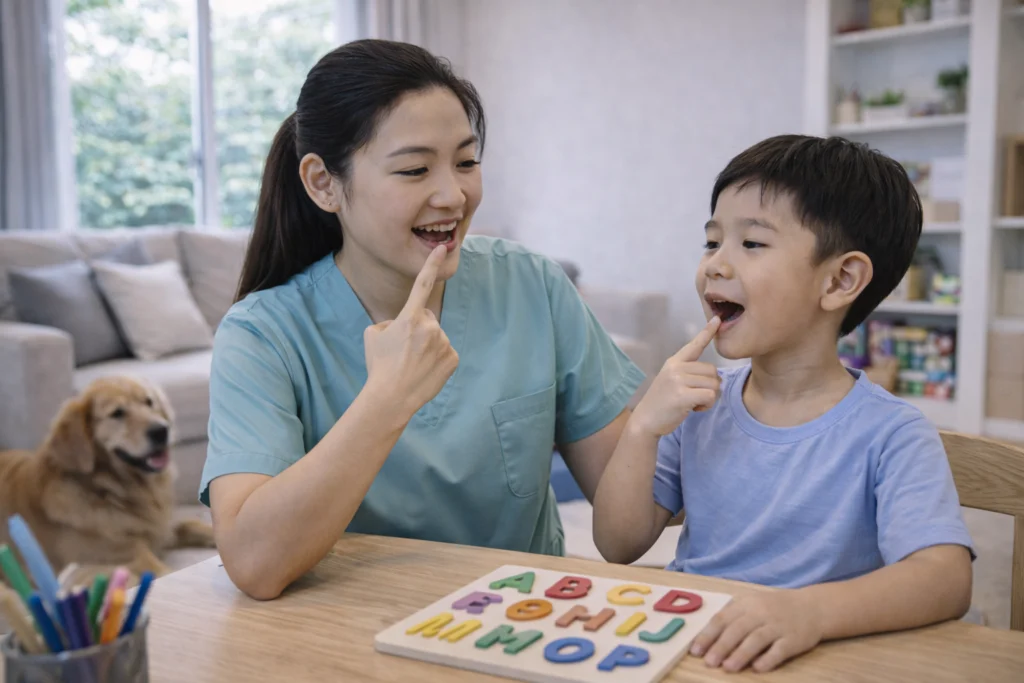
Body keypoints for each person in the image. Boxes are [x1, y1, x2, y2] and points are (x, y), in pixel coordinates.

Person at [199, 39, 644, 601]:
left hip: (523, 624)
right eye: (414, 169)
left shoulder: (531, 284)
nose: (453, 195)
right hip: (352, 640)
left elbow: (630, 511)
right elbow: (254, 563)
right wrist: (388, 399)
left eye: (466, 162)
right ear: (323, 183)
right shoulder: (261, 335)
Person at [592, 135, 974, 673]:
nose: (715, 266)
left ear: (841, 279)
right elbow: (618, 544)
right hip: (691, 650)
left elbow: (945, 577)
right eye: (711, 242)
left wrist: (809, 612)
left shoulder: (892, 433)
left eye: (751, 244)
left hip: (811, 658)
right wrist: (642, 430)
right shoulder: (702, 404)